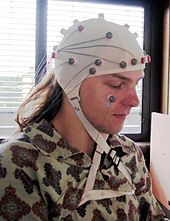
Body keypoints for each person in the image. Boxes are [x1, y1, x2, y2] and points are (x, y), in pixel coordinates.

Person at [0, 14, 166, 220]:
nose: (134, 100)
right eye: (116, 84)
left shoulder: (128, 154)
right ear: (71, 84)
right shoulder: (19, 162)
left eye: (136, 83)